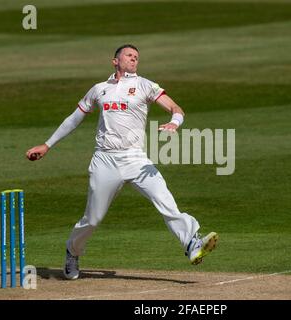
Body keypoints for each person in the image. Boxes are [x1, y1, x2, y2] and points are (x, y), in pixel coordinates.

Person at [26, 44, 218, 280]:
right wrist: (47, 144)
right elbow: (74, 119)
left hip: (136, 158)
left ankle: (191, 243)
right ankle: (72, 251)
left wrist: (174, 123)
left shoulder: (145, 85)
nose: (134, 59)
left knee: (165, 200)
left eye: (137, 57)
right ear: (115, 61)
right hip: (105, 160)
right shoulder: (99, 89)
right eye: (129, 55)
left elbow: (175, 107)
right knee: (93, 219)